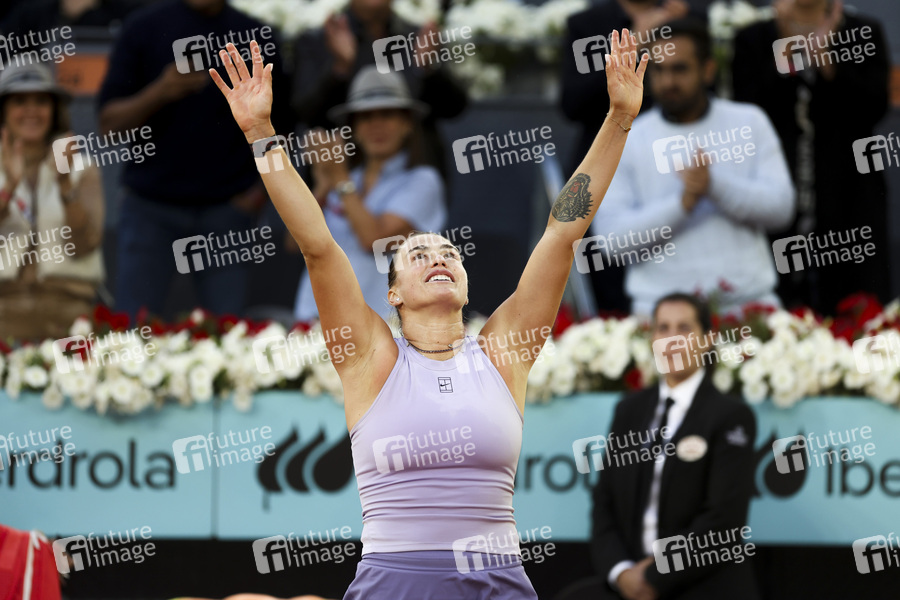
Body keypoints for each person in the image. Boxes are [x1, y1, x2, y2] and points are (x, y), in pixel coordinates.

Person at [210, 28, 647, 599]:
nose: (439, 257)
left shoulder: (504, 352)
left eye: (449, 253)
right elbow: (318, 245)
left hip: (498, 584)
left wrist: (618, 119)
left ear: (465, 283)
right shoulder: (369, 359)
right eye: (418, 254)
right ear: (391, 293)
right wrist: (261, 134)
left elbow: (563, 232)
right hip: (395, 584)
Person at [96, 0, 291, 322]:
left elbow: (281, 129)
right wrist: (160, 91)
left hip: (227, 212)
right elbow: (108, 125)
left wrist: (258, 194)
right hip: (149, 210)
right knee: (132, 330)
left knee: (230, 334)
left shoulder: (256, 36)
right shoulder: (142, 28)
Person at [590, 18, 794, 317]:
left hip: (749, 310)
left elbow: (782, 210)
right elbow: (610, 241)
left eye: (680, 69)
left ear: (708, 70)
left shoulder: (750, 122)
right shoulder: (625, 136)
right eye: (658, 70)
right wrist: (682, 204)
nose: (668, 82)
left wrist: (714, 185)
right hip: (661, 319)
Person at [591, 293, 759, 600]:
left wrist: (653, 576)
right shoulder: (628, 410)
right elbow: (604, 502)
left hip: (704, 586)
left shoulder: (731, 416)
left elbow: (723, 521)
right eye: (663, 328)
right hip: (629, 585)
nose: (672, 340)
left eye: (684, 328)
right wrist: (621, 572)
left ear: (707, 340)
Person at [732, 0, 891, 315]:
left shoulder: (862, 32)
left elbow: (873, 107)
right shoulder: (755, 37)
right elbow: (749, 110)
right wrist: (788, 48)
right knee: (780, 296)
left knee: (853, 296)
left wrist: (825, 58)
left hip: (847, 187)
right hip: (780, 183)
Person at [561, 0, 695, 313]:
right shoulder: (587, 24)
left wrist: (682, 33)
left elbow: (705, 95)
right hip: (603, 166)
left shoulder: (687, 16)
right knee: (608, 283)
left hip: (673, 166)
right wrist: (633, 46)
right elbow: (572, 104)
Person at [292, 66, 445, 324]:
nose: (376, 125)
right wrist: (322, 186)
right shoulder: (345, 179)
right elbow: (294, 242)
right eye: (365, 117)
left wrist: (339, 177)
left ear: (407, 123)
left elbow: (374, 240)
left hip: (382, 327)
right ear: (354, 128)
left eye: (387, 114)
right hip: (314, 318)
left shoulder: (423, 180)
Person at [291, 0, 467, 177]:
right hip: (340, 176)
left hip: (415, 172)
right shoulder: (316, 41)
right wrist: (339, 69)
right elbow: (305, 114)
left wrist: (428, 70)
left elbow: (455, 108)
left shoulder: (421, 36)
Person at [0, 62, 104, 342]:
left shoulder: (83, 168)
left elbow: (85, 245)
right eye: (19, 101)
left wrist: (64, 183)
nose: (31, 111)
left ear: (55, 110)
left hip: (68, 314)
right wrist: (9, 188)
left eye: (41, 101)